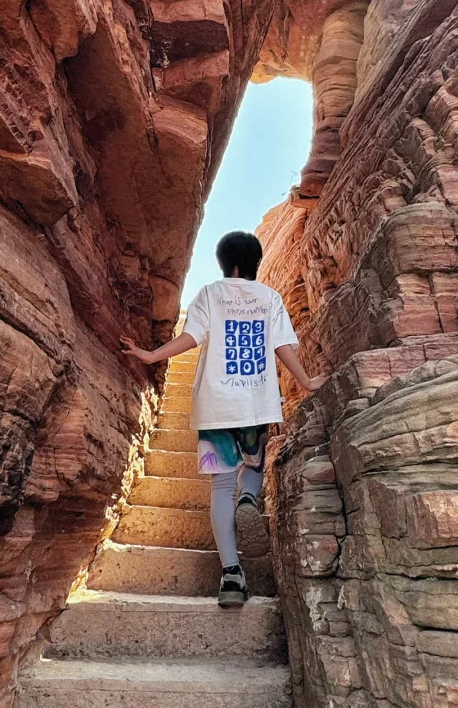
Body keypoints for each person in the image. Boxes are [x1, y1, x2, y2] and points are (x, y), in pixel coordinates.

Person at [121, 230, 326, 606]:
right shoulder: (270, 298)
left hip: (216, 406)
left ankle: (232, 575)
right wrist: (307, 380)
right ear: (253, 263)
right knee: (254, 464)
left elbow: (192, 337)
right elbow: (282, 346)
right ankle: (250, 498)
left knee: (219, 487)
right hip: (255, 404)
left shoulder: (211, 294)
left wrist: (152, 355)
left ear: (225, 263)